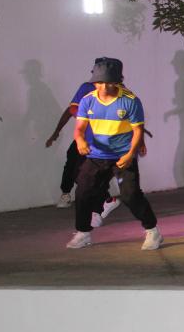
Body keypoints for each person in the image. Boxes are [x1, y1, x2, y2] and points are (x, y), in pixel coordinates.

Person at [66, 58, 161, 250]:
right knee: (83, 191)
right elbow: (79, 129)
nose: (102, 87)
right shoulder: (88, 100)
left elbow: (137, 131)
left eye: (108, 82)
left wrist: (130, 155)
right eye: (99, 82)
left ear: (117, 81)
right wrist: (81, 140)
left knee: (130, 195)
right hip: (96, 154)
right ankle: (83, 233)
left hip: (122, 155)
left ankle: (152, 231)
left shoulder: (130, 101)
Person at [45, 59, 122, 224]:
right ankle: (94, 206)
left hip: (100, 142)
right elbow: (71, 109)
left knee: (89, 175)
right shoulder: (87, 88)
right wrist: (57, 132)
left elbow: (126, 113)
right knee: (78, 169)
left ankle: (101, 205)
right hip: (86, 139)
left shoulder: (118, 91)